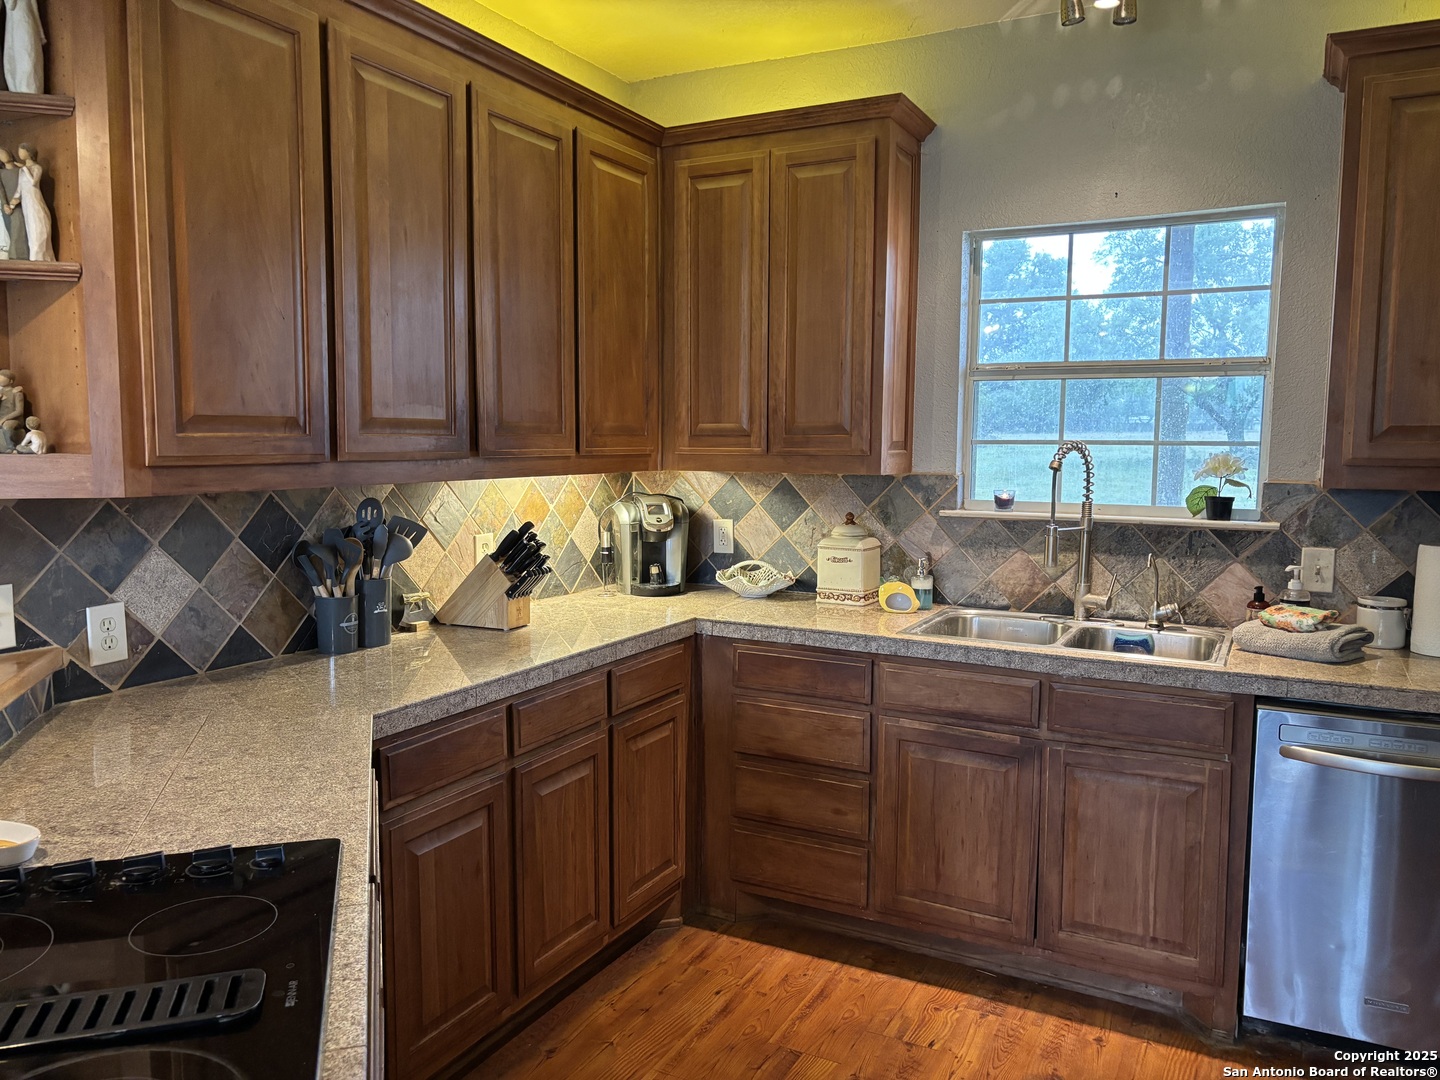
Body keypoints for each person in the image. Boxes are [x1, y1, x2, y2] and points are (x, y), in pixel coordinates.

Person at [7, 144, 52, 261]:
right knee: (31, 234)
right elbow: (19, 190)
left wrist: (25, 168)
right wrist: (11, 205)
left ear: (29, 153)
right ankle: (34, 259)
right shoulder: (22, 171)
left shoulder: (37, 168)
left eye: (22, 151)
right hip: (27, 205)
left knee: (39, 231)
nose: (19, 153)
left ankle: (42, 260)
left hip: (35, 203)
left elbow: (33, 182)